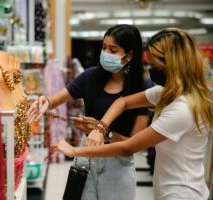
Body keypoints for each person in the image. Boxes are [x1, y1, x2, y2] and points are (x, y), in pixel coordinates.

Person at [54, 28, 213, 200]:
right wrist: (101, 127)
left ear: (172, 65)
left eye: (154, 66)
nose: (151, 70)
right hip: (171, 189)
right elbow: (123, 102)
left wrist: (74, 151)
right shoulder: (168, 93)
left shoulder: (182, 109)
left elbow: (129, 146)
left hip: (182, 194)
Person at [27, 24, 151, 200]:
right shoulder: (90, 77)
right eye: (104, 47)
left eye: (113, 50)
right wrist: (45, 101)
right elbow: (55, 100)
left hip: (118, 163)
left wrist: (102, 133)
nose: (105, 53)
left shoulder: (142, 88)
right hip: (86, 159)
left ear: (129, 55)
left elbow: (134, 143)